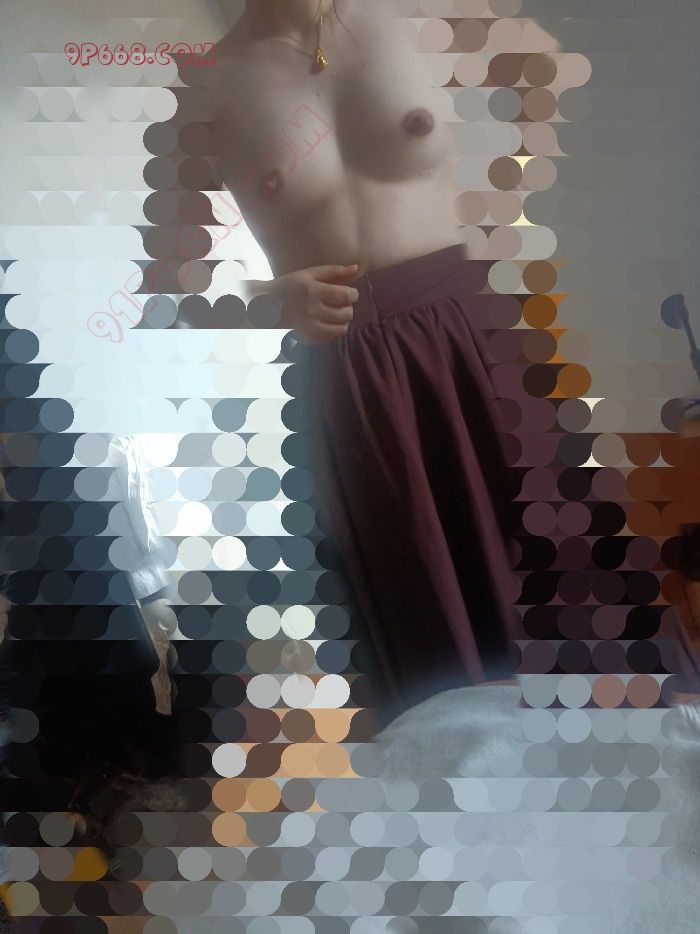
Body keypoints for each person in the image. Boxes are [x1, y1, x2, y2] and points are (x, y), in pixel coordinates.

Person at [190, 0, 521, 721]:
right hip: (348, 381)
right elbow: (162, 285)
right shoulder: (202, 83)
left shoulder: (419, 15)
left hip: (473, 344)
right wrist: (259, 298)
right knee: (430, 628)